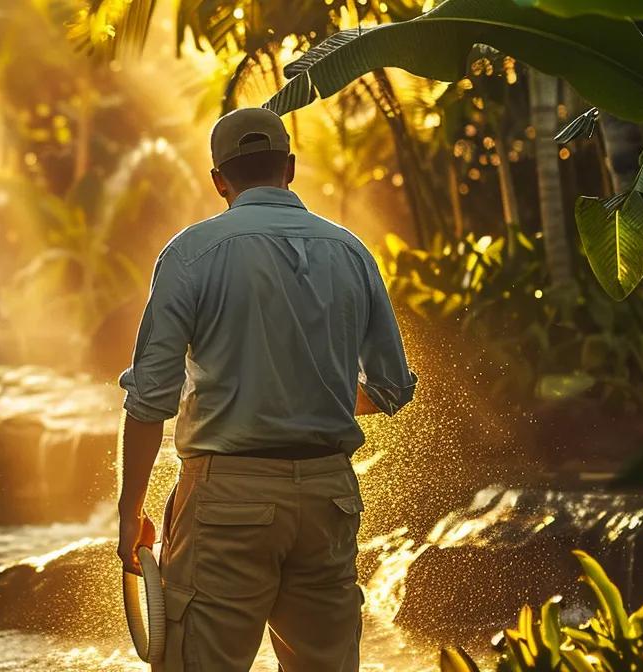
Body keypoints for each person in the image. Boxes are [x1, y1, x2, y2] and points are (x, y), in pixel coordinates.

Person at [115, 107, 417, 672]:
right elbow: (393, 386)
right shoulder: (350, 251)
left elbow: (150, 399)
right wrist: (312, 394)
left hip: (228, 499)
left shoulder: (191, 254)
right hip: (329, 499)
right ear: (291, 168)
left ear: (219, 180)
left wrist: (130, 513)